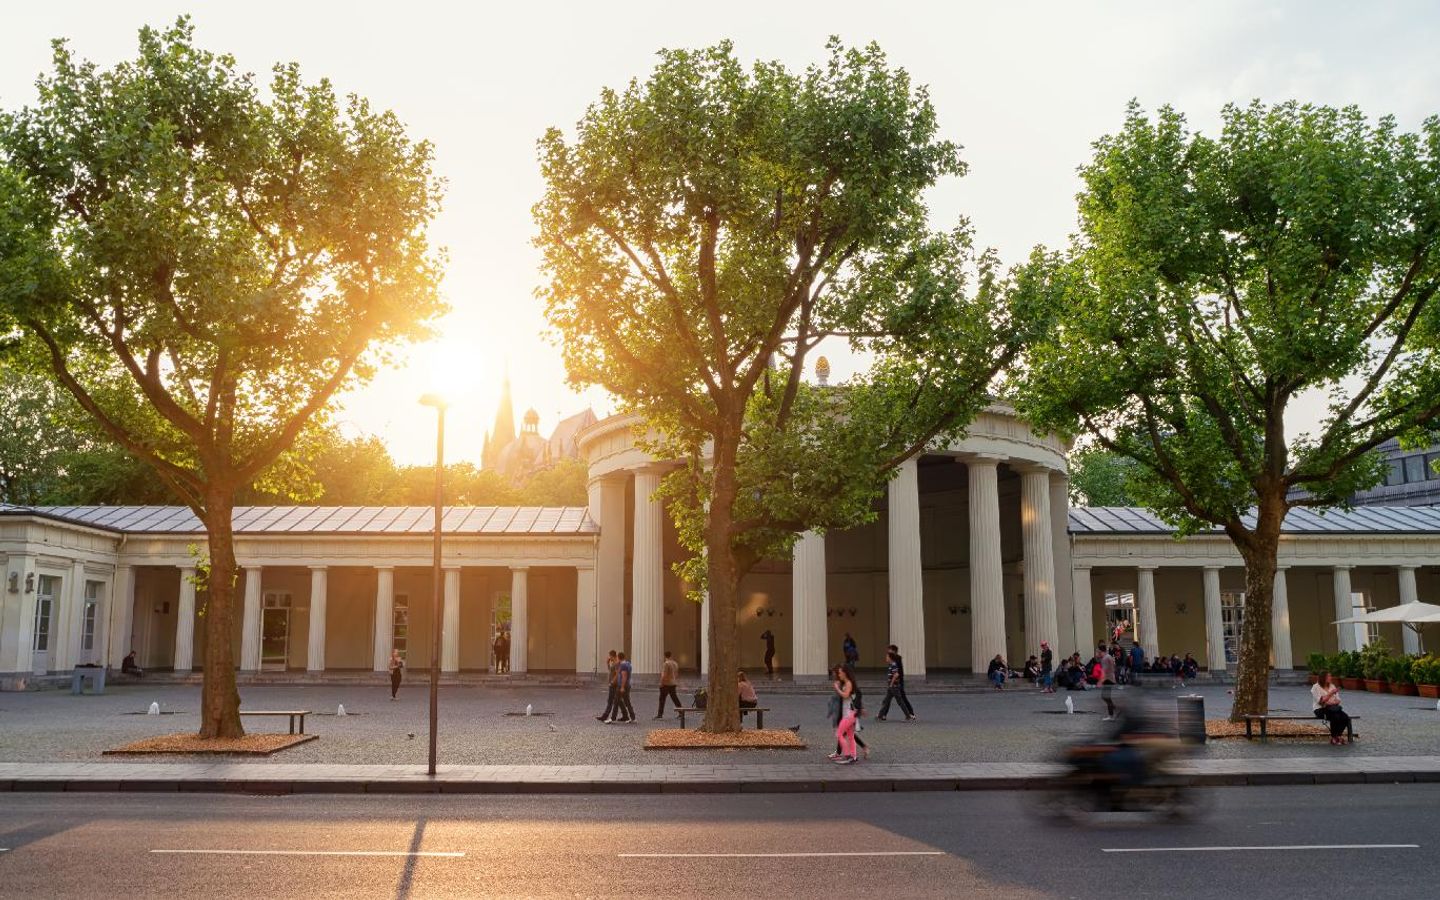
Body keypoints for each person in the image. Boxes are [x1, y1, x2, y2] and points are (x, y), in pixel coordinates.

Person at [1311, 671, 1352, 745]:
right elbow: (1321, 701)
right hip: (1320, 709)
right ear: (1323, 678)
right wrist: (1331, 693)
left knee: (1346, 718)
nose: (1331, 678)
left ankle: (1338, 736)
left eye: (1330, 676)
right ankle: (1334, 737)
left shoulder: (1332, 686)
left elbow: (1338, 700)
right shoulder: (1315, 687)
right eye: (1329, 676)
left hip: (1333, 708)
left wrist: (1331, 702)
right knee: (1335, 716)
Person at [878, 646, 916, 721]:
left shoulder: (896, 661)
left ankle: (909, 714)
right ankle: (881, 715)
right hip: (893, 685)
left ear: (893, 652)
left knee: (901, 700)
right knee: (887, 700)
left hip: (896, 685)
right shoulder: (891, 662)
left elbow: (897, 674)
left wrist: (892, 683)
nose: (887, 653)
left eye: (889, 651)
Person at [831, 666, 858, 764]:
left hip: (849, 715)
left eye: (840, 673)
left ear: (845, 673)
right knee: (850, 736)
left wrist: (837, 688)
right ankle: (853, 756)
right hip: (850, 713)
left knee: (839, 734)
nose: (839, 674)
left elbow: (845, 695)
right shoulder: (847, 683)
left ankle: (848, 755)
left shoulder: (848, 683)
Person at [610, 651, 636, 723]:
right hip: (627, 685)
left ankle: (612, 718)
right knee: (627, 702)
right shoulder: (628, 664)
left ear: (618, 657)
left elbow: (624, 676)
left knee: (616, 701)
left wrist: (622, 687)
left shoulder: (623, 665)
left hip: (622, 685)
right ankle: (633, 717)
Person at [655, 650, 682, 719]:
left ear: (665, 656)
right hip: (673, 683)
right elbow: (676, 674)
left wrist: (661, 683)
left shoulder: (666, 664)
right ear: (671, 655)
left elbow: (664, 675)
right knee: (675, 699)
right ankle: (681, 712)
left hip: (666, 684)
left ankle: (660, 715)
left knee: (662, 700)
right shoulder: (675, 663)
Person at [598, 650, 620, 721]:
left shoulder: (616, 663)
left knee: (610, 701)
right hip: (613, 684)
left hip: (614, 685)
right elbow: (610, 670)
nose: (609, 657)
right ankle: (626, 715)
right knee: (618, 701)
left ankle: (605, 716)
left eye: (609, 656)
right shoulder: (613, 662)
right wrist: (607, 663)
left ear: (611, 656)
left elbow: (617, 674)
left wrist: (612, 682)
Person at [1100, 646, 1117, 720]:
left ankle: (1111, 715)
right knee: (1106, 696)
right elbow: (1113, 666)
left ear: (1101, 651)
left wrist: (1101, 680)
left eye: (1098, 652)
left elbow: (1105, 670)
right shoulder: (1109, 657)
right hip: (1110, 678)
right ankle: (1113, 708)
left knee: (1105, 696)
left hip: (1108, 679)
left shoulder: (1105, 658)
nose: (1097, 653)